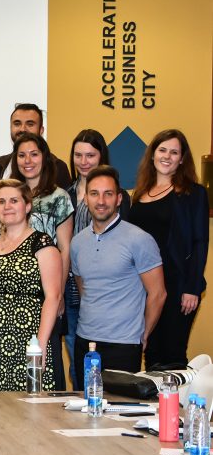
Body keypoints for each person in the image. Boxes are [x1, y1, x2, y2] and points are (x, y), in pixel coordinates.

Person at [71, 166, 166, 388]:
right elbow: (83, 287)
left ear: (119, 199)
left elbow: (158, 293)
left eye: (108, 194)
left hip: (123, 344)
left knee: (120, 408)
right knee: (85, 405)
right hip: (85, 342)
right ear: (86, 199)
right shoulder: (77, 242)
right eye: (94, 193)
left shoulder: (139, 239)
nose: (101, 201)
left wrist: (144, 334)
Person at [128, 129, 209, 368]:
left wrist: (192, 287)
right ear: (152, 154)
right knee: (150, 353)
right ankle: (155, 395)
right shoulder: (139, 194)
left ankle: (177, 395)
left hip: (178, 286)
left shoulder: (193, 193)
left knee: (173, 354)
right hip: (143, 287)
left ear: (182, 159)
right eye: (162, 150)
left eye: (174, 152)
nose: (167, 156)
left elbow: (200, 241)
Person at [0, 180, 62, 392]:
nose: (7, 206)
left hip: (32, 341)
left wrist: (39, 346)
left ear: (27, 205)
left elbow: (53, 297)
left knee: (33, 405)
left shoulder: (42, 243)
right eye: (1, 201)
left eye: (14, 201)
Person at [64, 129, 131, 386]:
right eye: (78, 155)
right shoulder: (65, 194)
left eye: (90, 155)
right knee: (78, 364)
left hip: (105, 294)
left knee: (109, 369)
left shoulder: (117, 196)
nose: (83, 161)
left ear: (102, 156)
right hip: (71, 290)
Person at [9, 131, 72, 389]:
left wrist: (59, 293)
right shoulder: (11, 195)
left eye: (34, 154)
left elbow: (65, 248)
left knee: (48, 359)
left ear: (45, 158)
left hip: (46, 292)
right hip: (16, 293)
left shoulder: (59, 197)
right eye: (22, 155)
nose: (28, 161)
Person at [0, 103, 71, 189]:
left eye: (30, 124)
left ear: (41, 130)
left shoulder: (58, 168)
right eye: (17, 124)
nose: (22, 129)